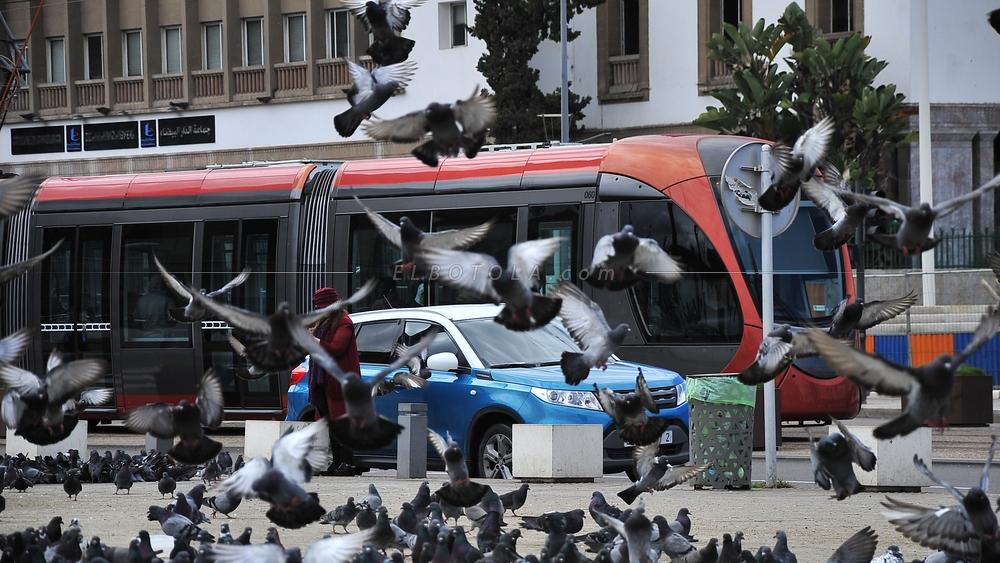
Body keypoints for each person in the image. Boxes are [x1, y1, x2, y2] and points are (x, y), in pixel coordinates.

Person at [307, 286, 364, 476]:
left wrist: (314, 340)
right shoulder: (324, 323)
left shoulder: (344, 322)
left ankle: (347, 464)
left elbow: (336, 349)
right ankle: (337, 463)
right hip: (324, 381)